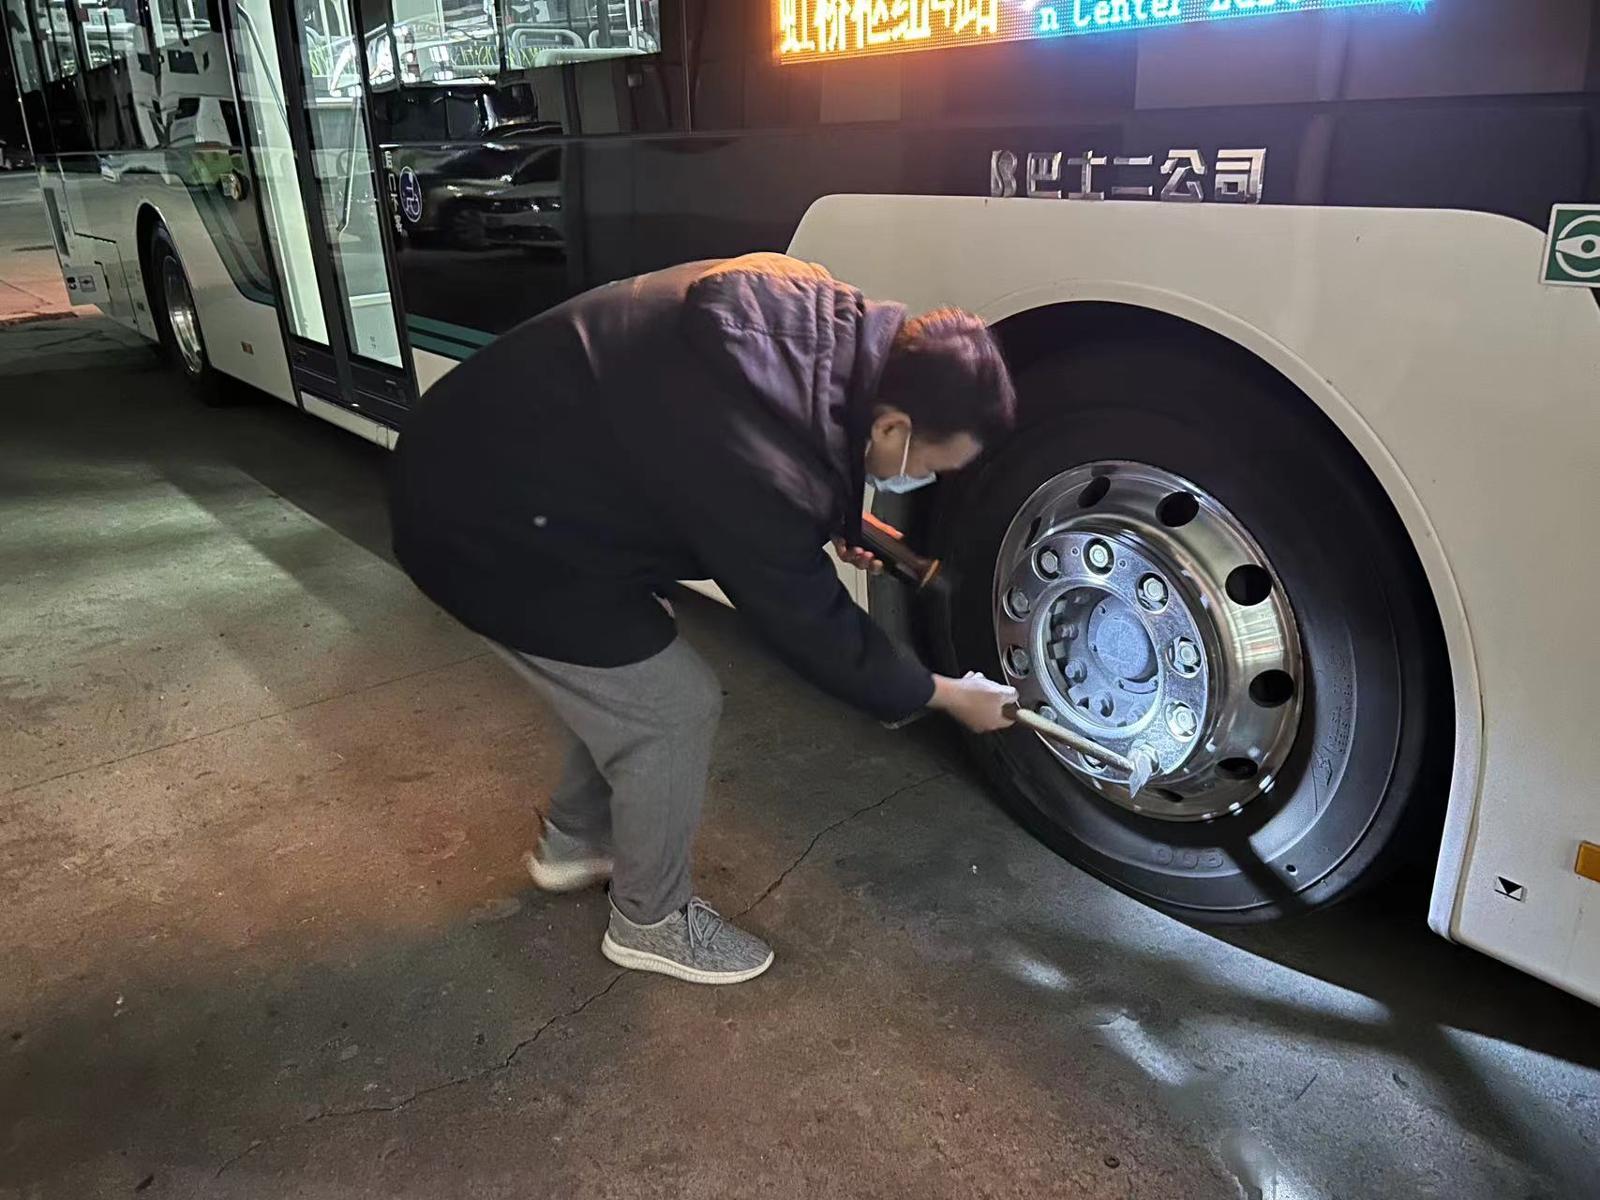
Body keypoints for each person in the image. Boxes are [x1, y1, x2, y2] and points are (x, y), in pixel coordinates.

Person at [390, 252, 1019, 986]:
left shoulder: (810, 311)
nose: (927, 479)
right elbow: (810, 624)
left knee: (627, 667)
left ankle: (576, 842)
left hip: (510, 471)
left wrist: (836, 516)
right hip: (476, 525)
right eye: (933, 465)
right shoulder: (755, 457)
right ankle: (649, 921)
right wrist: (943, 694)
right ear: (894, 426)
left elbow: (792, 447)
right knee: (671, 707)